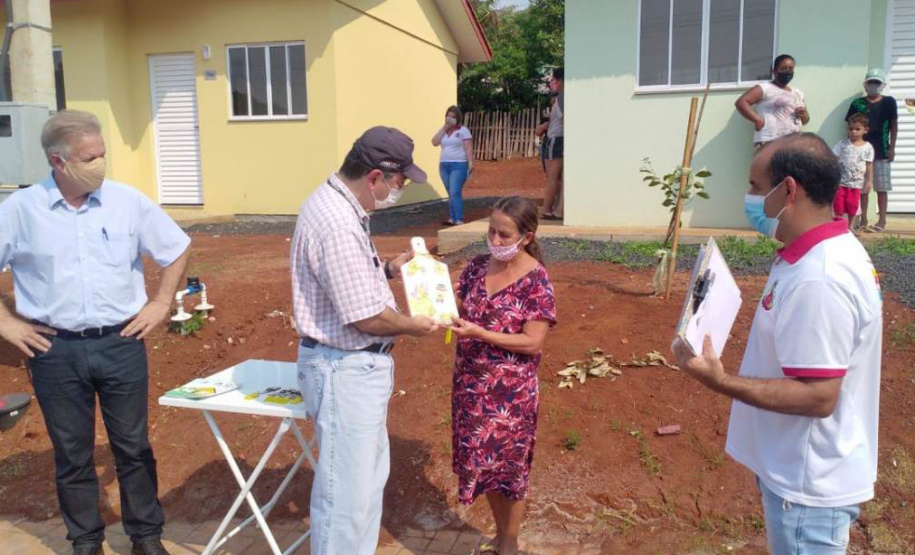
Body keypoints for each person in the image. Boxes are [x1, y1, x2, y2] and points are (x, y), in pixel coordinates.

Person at [672, 133, 882, 555]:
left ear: (788, 189)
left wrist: (720, 381)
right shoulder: (817, 253)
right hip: (802, 474)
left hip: (807, 488)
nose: (749, 197)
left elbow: (818, 396)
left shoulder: (819, 278)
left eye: (754, 186)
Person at [0, 110, 191, 555]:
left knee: (133, 448)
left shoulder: (126, 201)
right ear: (59, 160)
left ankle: (146, 538)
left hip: (121, 343)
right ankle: (86, 541)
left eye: (102, 154)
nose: (100, 164)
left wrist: (162, 302)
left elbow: (177, 247)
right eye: (90, 157)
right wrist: (7, 323)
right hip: (54, 350)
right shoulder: (21, 211)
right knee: (72, 454)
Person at [290, 126, 439, 555]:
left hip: (351, 370)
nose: (400, 190)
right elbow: (366, 318)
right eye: (399, 182)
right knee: (346, 498)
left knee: (363, 485)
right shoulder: (337, 222)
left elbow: (345, 282)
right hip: (344, 369)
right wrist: (415, 325)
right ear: (375, 176)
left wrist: (388, 269)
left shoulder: (339, 206)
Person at [449, 196, 557, 555]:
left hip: (510, 396)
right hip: (470, 385)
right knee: (484, 464)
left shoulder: (536, 281)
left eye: (503, 234)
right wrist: (438, 297)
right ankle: (500, 534)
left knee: (509, 470)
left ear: (525, 238)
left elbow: (532, 341)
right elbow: (460, 307)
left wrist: (479, 333)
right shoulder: (477, 267)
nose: (494, 240)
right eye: (491, 231)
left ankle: (509, 542)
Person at [845, 68, 898, 232]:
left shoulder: (889, 102)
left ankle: (882, 220)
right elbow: (850, 126)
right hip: (860, 152)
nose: (873, 85)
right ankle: (863, 219)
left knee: (881, 188)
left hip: (881, 151)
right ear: (865, 85)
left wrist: (892, 147)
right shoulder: (857, 104)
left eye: (877, 82)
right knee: (862, 189)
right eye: (871, 82)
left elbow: (894, 126)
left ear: (883, 85)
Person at [735, 54, 810, 149]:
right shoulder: (765, 88)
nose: (788, 72)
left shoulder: (798, 93)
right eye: (784, 68)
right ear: (774, 71)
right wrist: (757, 119)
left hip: (794, 143)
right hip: (769, 142)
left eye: (791, 68)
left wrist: (804, 115)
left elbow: (805, 120)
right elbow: (741, 102)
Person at [432, 105, 474, 226]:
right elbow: (434, 142)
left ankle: (459, 219)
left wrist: (470, 163)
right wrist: (444, 127)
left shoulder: (463, 131)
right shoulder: (444, 131)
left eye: (453, 117)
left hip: (459, 164)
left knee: (455, 191)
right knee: (450, 192)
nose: (450, 119)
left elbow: (468, 148)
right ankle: (452, 217)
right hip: (444, 165)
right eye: (448, 116)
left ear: (458, 118)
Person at [832, 113, 874, 230]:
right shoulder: (842, 145)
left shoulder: (868, 147)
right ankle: (838, 226)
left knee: (853, 206)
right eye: (851, 129)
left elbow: (869, 165)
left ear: (865, 130)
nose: (854, 132)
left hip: (856, 184)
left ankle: (850, 227)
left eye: (857, 129)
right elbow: (833, 160)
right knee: (838, 206)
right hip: (840, 183)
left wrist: (869, 181)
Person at [540, 68, 564, 220]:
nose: (553, 83)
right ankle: (552, 209)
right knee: (557, 178)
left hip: (558, 139)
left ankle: (550, 209)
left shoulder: (562, 97)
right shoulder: (563, 98)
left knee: (556, 178)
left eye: (554, 80)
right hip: (558, 139)